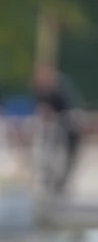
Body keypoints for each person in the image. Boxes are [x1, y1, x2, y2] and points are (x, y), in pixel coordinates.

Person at [32, 65, 84, 196]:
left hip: (68, 126)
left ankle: (62, 179)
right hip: (53, 128)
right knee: (48, 150)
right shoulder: (41, 91)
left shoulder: (61, 89)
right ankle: (50, 177)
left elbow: (70, 109)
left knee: (68, 155)